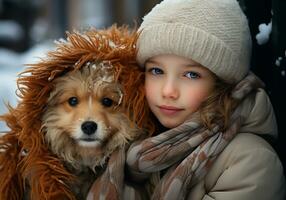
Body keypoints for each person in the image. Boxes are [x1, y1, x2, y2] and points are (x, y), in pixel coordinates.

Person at [124, 0, 286, 199]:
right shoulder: (132, 144)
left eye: (191, 75)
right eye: (156, 71)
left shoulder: (250, 160)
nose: (168, 91)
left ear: (222, 83)